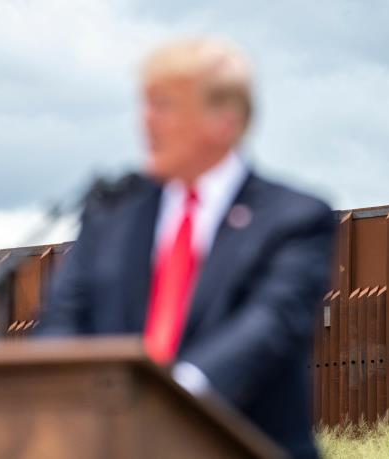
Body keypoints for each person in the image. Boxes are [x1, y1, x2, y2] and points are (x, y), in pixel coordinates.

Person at [36, 38, 335, 459]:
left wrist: (168, 401)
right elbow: (61, 323)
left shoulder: (295, 219)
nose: (146, 121)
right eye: (145, 104)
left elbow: (268, 326)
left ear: (224, 121)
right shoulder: (112, 215)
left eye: (164, 105)